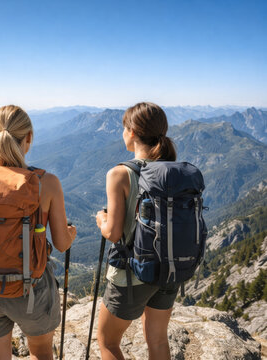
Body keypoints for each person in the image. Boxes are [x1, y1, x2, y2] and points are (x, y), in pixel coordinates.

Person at [0, 105, 77, 360]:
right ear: (29, 138)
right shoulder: (48, 183)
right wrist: (71, 233)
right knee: (42, 352)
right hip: (32, 291)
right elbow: (62, 244)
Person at [95, 102, 178, 360]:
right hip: (170, 269)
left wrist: (101, 219)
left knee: (107, 341)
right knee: (157, 340)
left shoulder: (120, 173)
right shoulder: (175, 171)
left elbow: (114, 233)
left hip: (133, 274)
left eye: (123, 128)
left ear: (131, 132)